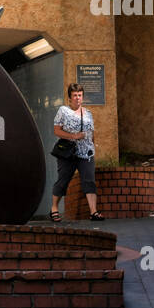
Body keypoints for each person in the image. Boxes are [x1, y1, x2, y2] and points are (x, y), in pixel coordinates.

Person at [50, 83, 103, 222]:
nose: (77, 98)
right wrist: (74, 136)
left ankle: (93, 212)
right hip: (68, 153)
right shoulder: (63, 111)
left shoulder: (88, 113)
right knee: (63, 180)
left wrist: (92, 143)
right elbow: (56, 131)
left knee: (89, 181)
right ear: (69, 98)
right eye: (75, 95)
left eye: (80, 95)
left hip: (86, 153)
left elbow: (91, 132)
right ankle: (54, 208)